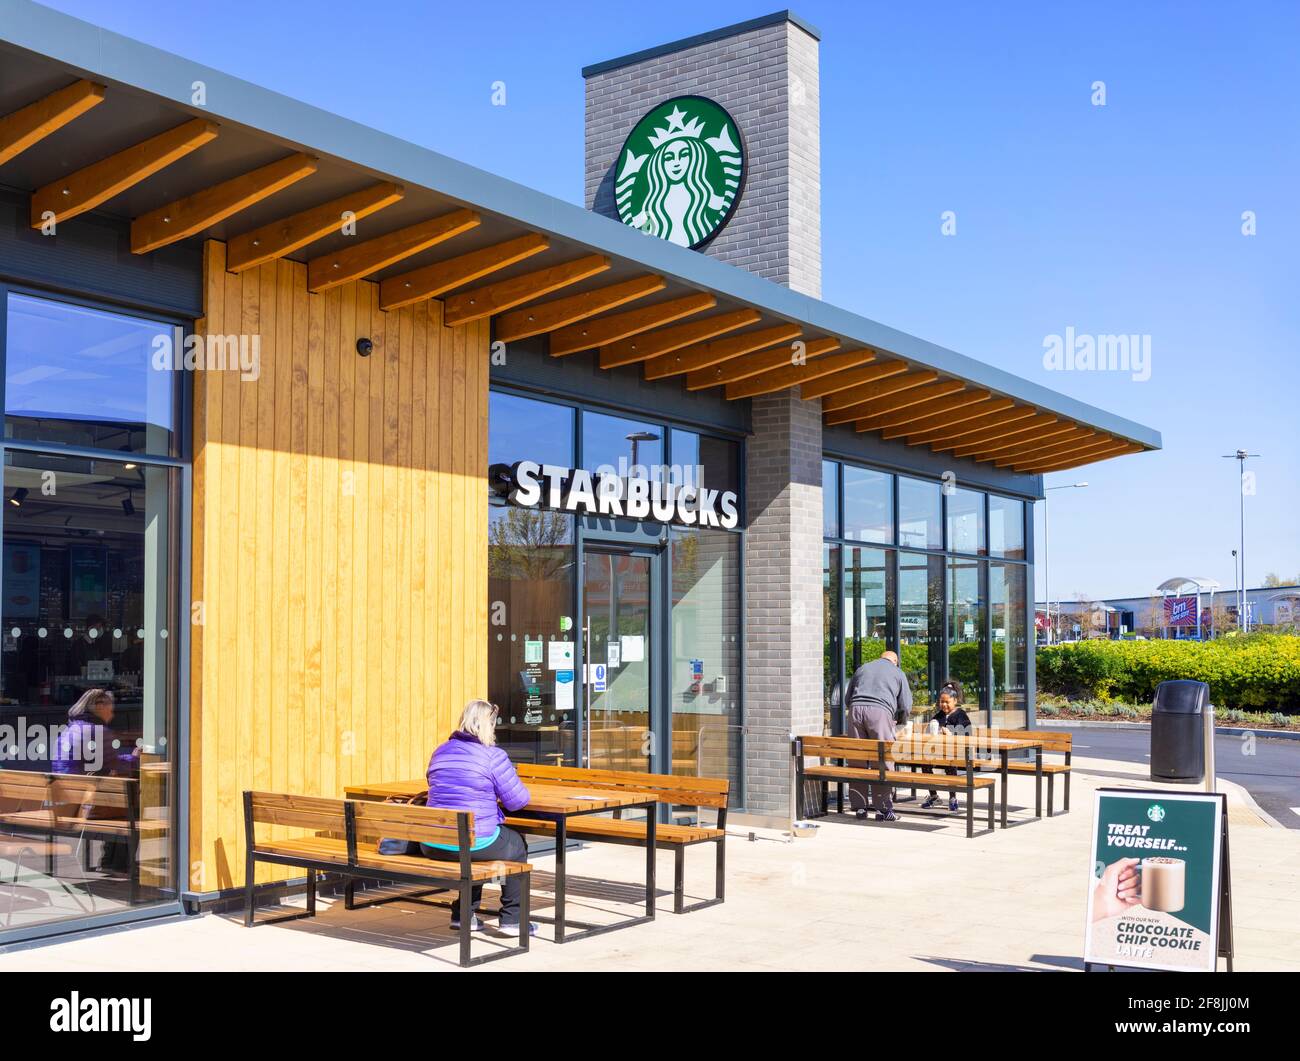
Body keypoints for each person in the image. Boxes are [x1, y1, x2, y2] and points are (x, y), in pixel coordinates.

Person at [422, 699, 535, 935]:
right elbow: (518, 801)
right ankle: (513, 918)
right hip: (470, 840)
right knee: (515, 845)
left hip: (432, 844)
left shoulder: (440, 751)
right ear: (488, 725)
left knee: (474, 841)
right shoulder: (493, 756)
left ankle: (464, 914)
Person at [843, 650, 912, 822]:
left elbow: (847, 697)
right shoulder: (898, 672)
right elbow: (905, 704)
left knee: (857, 759)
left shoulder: (863, 668)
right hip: (880, 712)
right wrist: (899, 722)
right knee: (883, 759)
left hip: (855, 711)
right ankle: (883, 810)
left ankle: (859, 808)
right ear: (895, 661)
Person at [52, 688, 135, 776]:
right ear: (100, 707)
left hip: (64, 786)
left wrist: (129, 757)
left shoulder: (68, 730)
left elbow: (104, 760)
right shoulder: (98, 731)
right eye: (110, 711)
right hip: (82, 786)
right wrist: (135, 758)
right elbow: (114, 765)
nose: (112, 715)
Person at [921, 680, 973, 812]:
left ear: (955, 701)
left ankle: (952, 797)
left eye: (946, 702)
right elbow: (931, 728)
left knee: (950, 765)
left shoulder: (961, 715)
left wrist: (951, 734)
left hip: (956, 753)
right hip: (938, 751)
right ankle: (933, 796)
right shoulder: (939, 715)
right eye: (941, 702)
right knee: (925, 763)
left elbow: (967, 734)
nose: (943, 705)